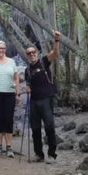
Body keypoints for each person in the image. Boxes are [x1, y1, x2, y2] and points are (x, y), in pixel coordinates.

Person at [24, 31, 61, 164]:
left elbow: (55, 54)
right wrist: (27, 88)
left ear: (37, 53)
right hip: (33, 101)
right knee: (35, 128)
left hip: (46, 98)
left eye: (33, 52)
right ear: (27, 56)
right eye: (29, 53)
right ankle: (38, 154)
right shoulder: (27, 70)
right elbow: (28, 84)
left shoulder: (44, 61)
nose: (32, 54)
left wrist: (56, 40)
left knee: (49, 126)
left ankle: (52, 154)